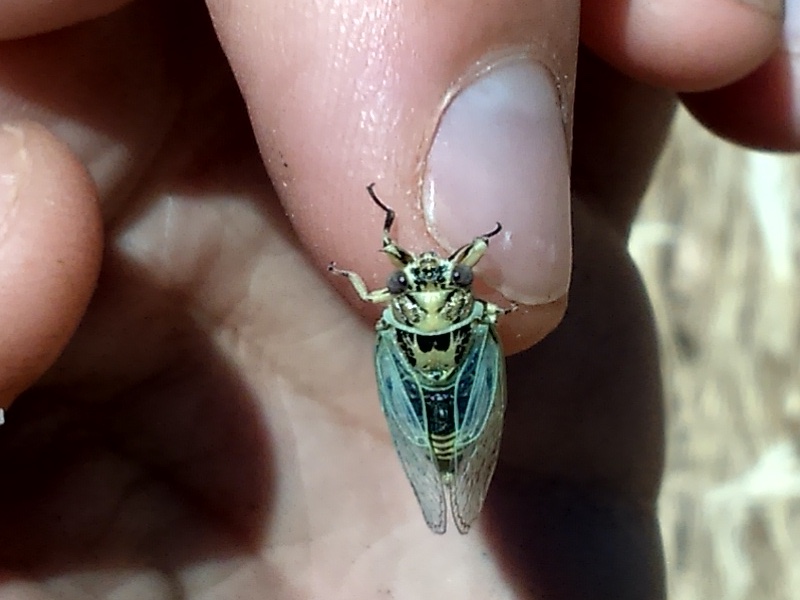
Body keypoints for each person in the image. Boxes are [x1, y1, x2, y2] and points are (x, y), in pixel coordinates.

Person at [0, 0, 791, 597]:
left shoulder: (403, 300)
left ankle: (442, 478)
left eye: (419, 273)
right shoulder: (464, 300)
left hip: (426, 373)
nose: (420, 272)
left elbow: (384, 279)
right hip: (443, 372)